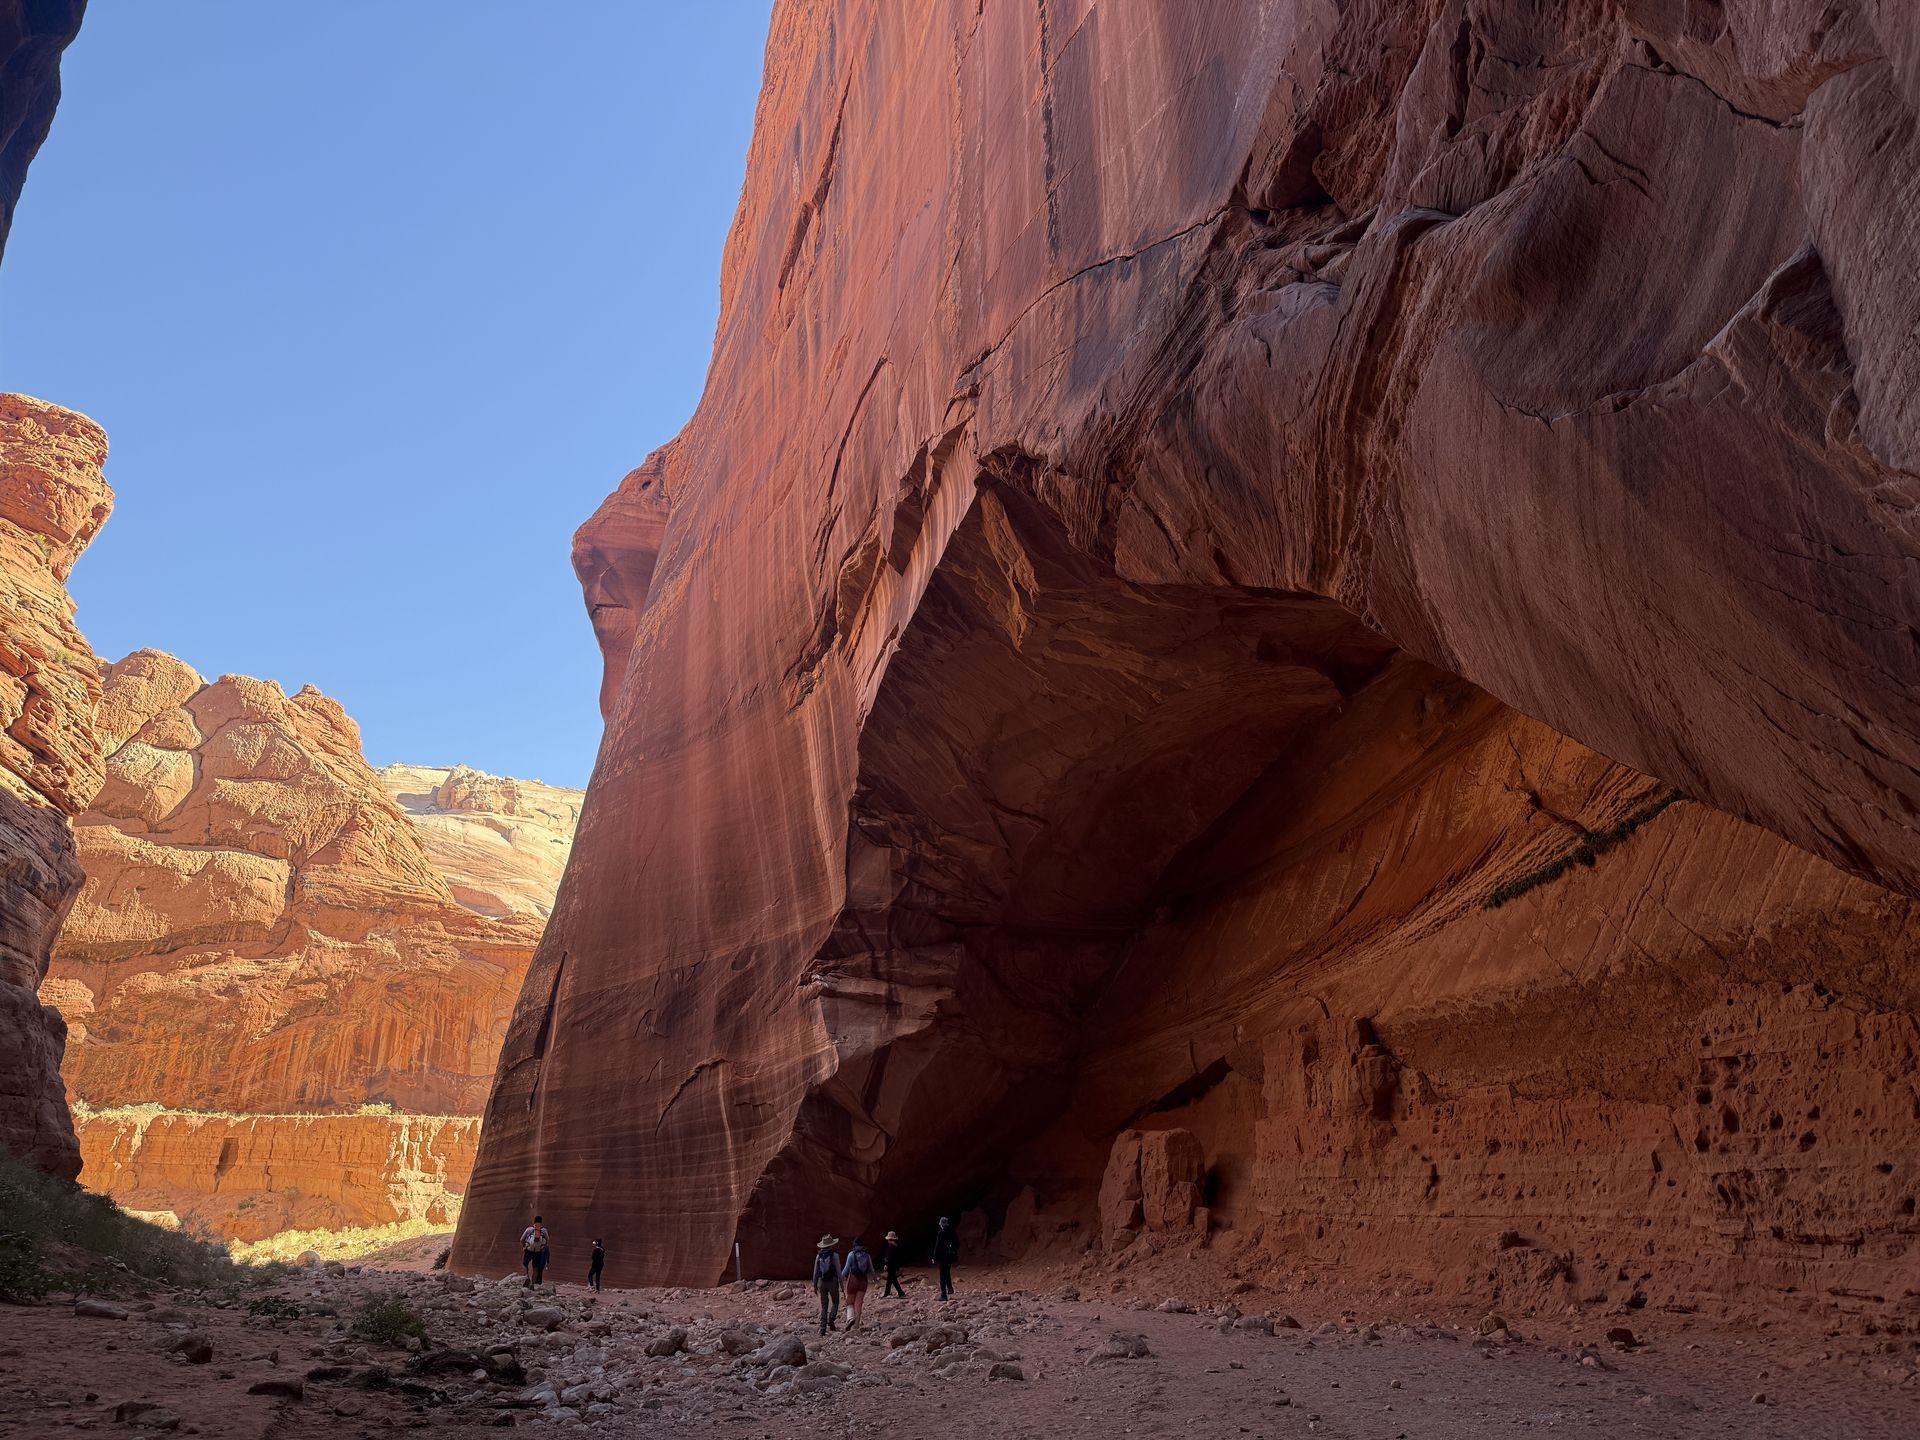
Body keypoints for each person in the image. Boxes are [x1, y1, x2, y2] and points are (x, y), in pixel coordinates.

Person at [812, 1235, 843, 1335]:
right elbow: (839, 1272)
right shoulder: (835, 1255)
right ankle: (831, 1319)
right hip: (832, 1282)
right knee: (836, 1302)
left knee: (824, 1306)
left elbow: (815, 1272)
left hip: (822, 1282)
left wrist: (814, 1285)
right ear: (831, 1245)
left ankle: (822, 1329)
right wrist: (842, 1285)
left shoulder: (818, 1255)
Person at [840, 1238, 874, 1329]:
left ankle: (850, 1318)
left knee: (849, 1302)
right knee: (858, 1304)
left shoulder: (851, 1255)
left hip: (853, 1281)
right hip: (863, 1282)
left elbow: (846, 1270)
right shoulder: (867, 1256)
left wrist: (839, 1279)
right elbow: (871, 1271)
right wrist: (876, 1279)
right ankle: (856, 1325)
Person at [520, 1214, 551, 1289]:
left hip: (529, 1250)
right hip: (538, 1251)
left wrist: (524, 1247)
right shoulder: (544, 1230)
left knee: (525, 1264)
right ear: (541, 1222)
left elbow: (521, 1239)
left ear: (534, 1221)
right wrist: (543, 1247)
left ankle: (526, 1277)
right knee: (535, 1268)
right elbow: (547, 1240)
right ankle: (532, 1284)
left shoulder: (529, 1229)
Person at [932, 1215, 959, 1300]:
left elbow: (937, 1246)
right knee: (947, 1272)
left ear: (941, 1225)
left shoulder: (941, 1234)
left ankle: (943, 1295)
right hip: (950, 1257)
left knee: (942, 1275)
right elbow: (958, 1243)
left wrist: (934, 1257)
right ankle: (950, 1288)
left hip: (942, 1257)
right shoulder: (953, 1233)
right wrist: (953, 1250)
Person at [879, 1230, 906, 1298]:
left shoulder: (890, 1246)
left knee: (891, 1279)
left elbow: (889, 1256)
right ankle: (899, 1293)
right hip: (894, 1265)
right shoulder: (895, 1246)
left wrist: (886, 1264)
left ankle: (889, 1293)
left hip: (891, 1266)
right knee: (892, 1279)